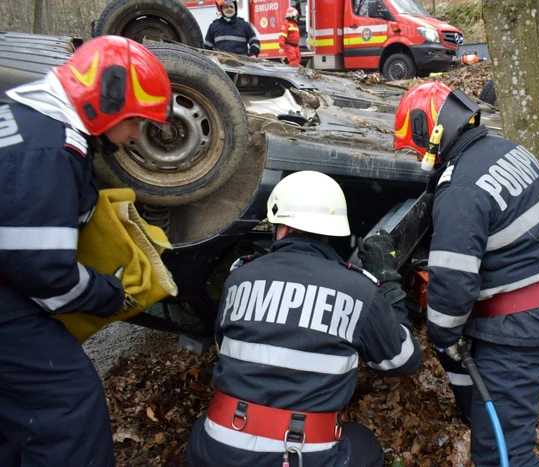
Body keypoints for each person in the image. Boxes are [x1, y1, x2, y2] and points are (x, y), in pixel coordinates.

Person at [0, 36, 172, 466]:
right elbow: (42, 271)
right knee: (67, 408)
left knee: (15, 418)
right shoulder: (51, 149)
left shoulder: (24, 120)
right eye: (135, 121)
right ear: (107, 99)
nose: (134, 136)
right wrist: (107, 293)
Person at [187, 170, 422, 467]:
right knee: (366, 445)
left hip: (215, 449)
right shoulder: (358, 289)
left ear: (281, 226)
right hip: (297, 456)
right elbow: (405, 360)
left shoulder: (239, 277)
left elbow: (224, 343)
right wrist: (387, 281)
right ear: (332, 231)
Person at [394, 82, 539, 467]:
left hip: (518, 329)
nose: (424, 158)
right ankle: (476, 411)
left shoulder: (461, 188)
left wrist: (441, 335)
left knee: (502, 456)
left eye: (419, 148)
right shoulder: (509, 150)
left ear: (433, 132)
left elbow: (454, 284)